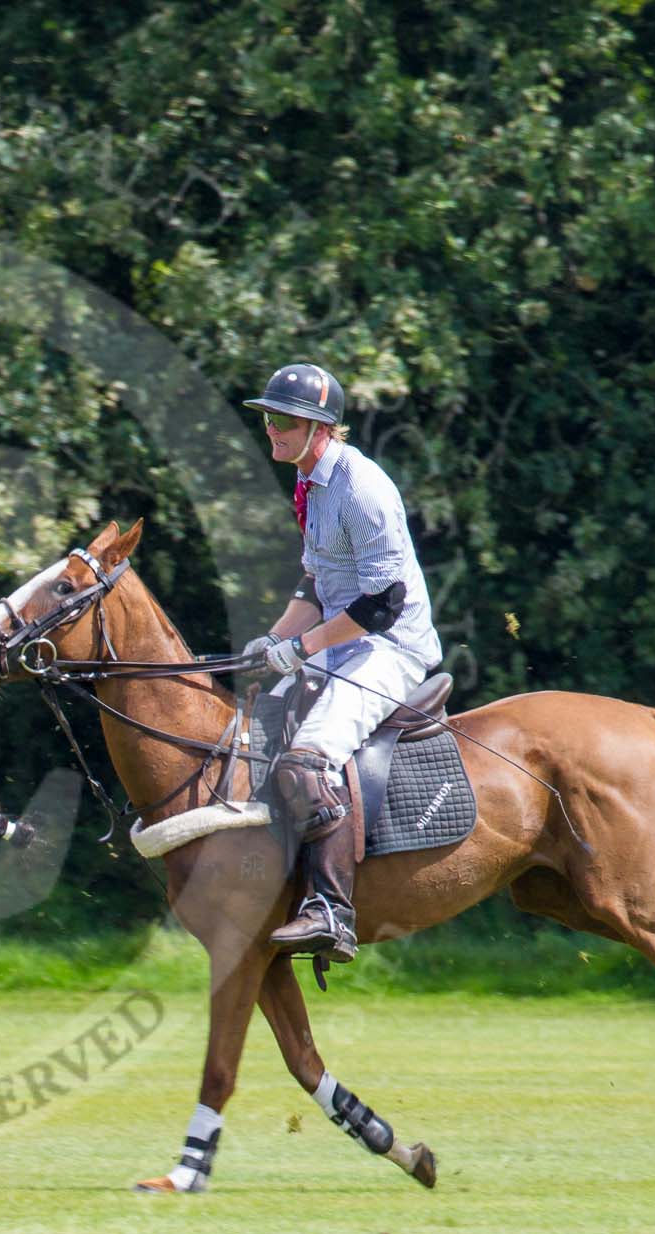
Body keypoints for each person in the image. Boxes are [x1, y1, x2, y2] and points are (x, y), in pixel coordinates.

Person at [240, 363, 442, 963]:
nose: (271, 429)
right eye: (269, 418)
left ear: (321, 428)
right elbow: (317, 580)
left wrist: (299, 649)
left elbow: (382, 605)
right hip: (340, 644)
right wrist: (271, 640)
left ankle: (331, 909)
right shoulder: (310, 482)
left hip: (389, 649)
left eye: (284, 421)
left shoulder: (360, 486)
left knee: (308, 757)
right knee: (256, 734)